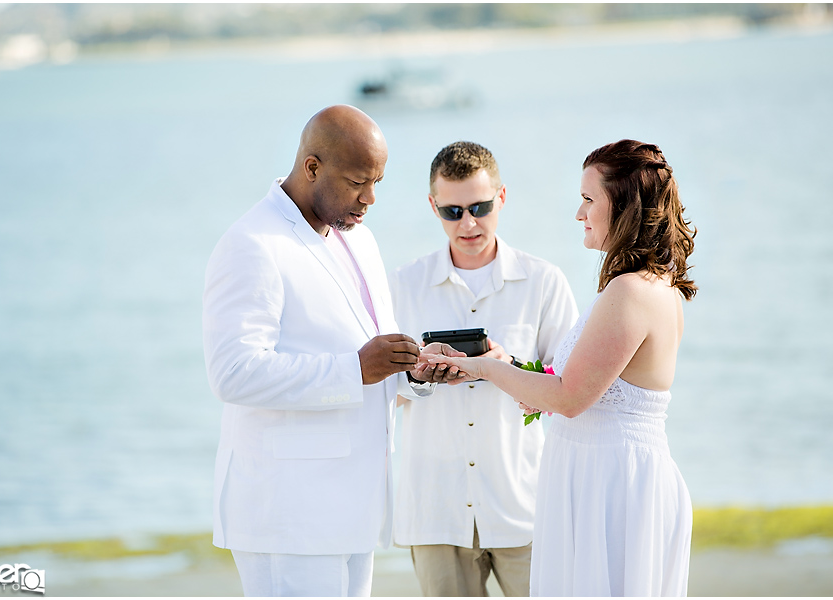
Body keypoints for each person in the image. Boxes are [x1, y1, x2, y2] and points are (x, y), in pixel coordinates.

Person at [202, 105, 461, 597]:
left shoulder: (355, 235)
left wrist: (415, 372)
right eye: (358, 181)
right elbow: (232, 373)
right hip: (288, 514)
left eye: (378, 181)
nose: (370, 198)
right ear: (313, 167)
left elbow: (370, 349)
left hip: (353, 506)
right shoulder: (252, 244)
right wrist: (353, 370)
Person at [421, 139, 697, 596]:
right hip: (603, 477)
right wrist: (510, 371)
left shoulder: (631, 291)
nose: (579, 212)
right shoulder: (643, 284)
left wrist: (482, 369)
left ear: (624, 206)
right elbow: (574, 388)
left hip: (613, 490)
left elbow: (569, 398)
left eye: (589, 199)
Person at [389, 141, 579, 597]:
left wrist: (507, 366)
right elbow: (379, 387)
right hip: (434, 509)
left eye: (480, 207)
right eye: (452, 211)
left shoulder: (544, 281)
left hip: (525, 504)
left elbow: (572, 387)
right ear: (432, 206)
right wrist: (418, 379)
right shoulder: (400, 285)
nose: (468, 223)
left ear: (502, 197)